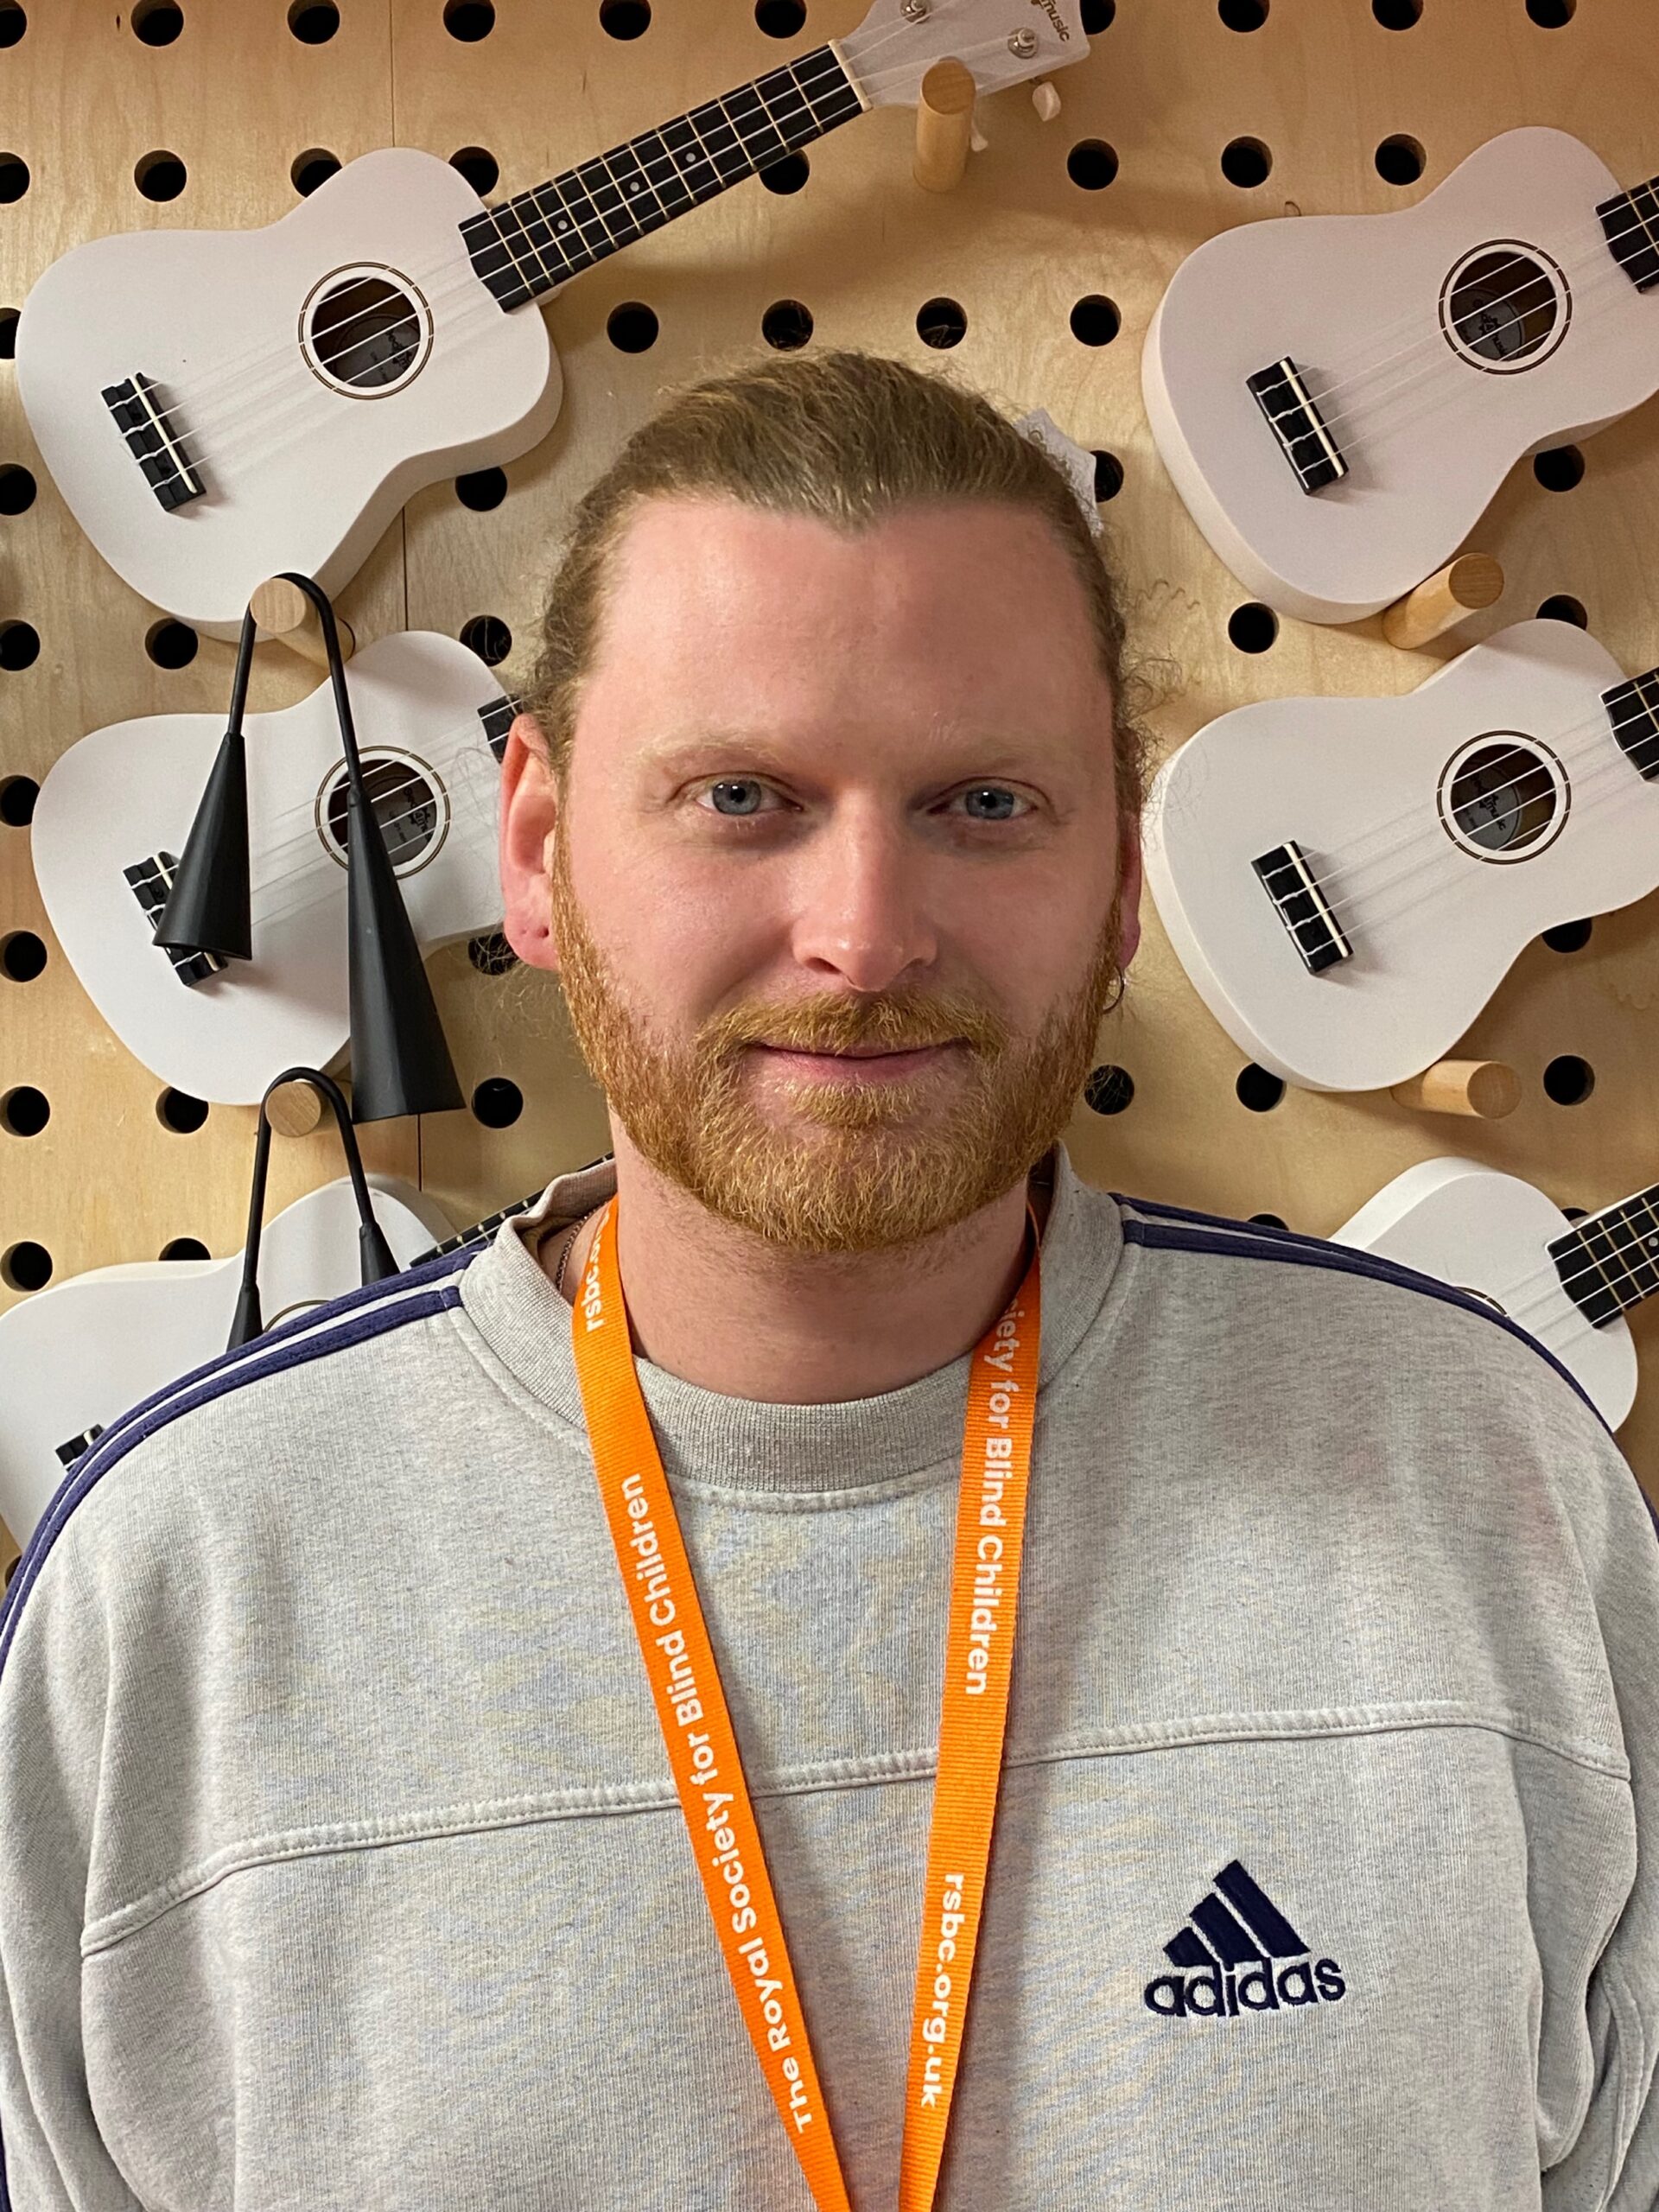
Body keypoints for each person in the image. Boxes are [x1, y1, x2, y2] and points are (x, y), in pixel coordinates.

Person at [0, 350, 1655, 2211]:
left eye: (986, 805)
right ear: (538, 846)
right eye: (742, 795)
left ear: (1120, 872)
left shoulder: (1481, 1480)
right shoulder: (180, 1583)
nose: (864, 935)